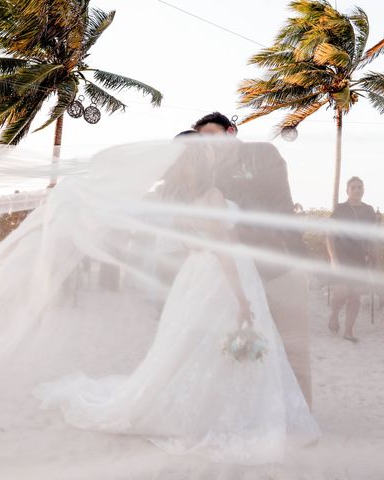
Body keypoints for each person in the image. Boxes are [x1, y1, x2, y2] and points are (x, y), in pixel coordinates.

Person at [33, 144, 320, 464]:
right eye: (207, 155)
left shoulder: (186, 202)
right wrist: (241, 296)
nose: (213, 156)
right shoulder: (211, 195)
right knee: (222, 342)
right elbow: (224, 247)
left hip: (200, 276)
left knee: (200, 346)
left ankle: (221, 406)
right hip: (225, 276)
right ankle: (229, 412)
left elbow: (190, 243)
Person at [191, 112, 314, 408]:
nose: (208, 145)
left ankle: (303, 415)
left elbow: (282, 207)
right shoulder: (209, 176)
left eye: (212, 136)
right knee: (243, 347)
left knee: (293, 346)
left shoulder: (263, 154)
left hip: (279, 265)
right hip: (238, 275)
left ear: (231, 131)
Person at [326, 176, 378, 343]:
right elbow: (329, 235)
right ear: (347, 191)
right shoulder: (340, 209)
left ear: (363, 190)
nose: (357, 190)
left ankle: (348, 331)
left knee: (355, 295)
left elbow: (372, 236)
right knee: (342, 292)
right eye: (353, 187)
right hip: (341, 257)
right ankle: (334, 315)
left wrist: (375, 260)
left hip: (359, 259)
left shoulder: (369, 211)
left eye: (359, 187)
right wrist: (333, 258)